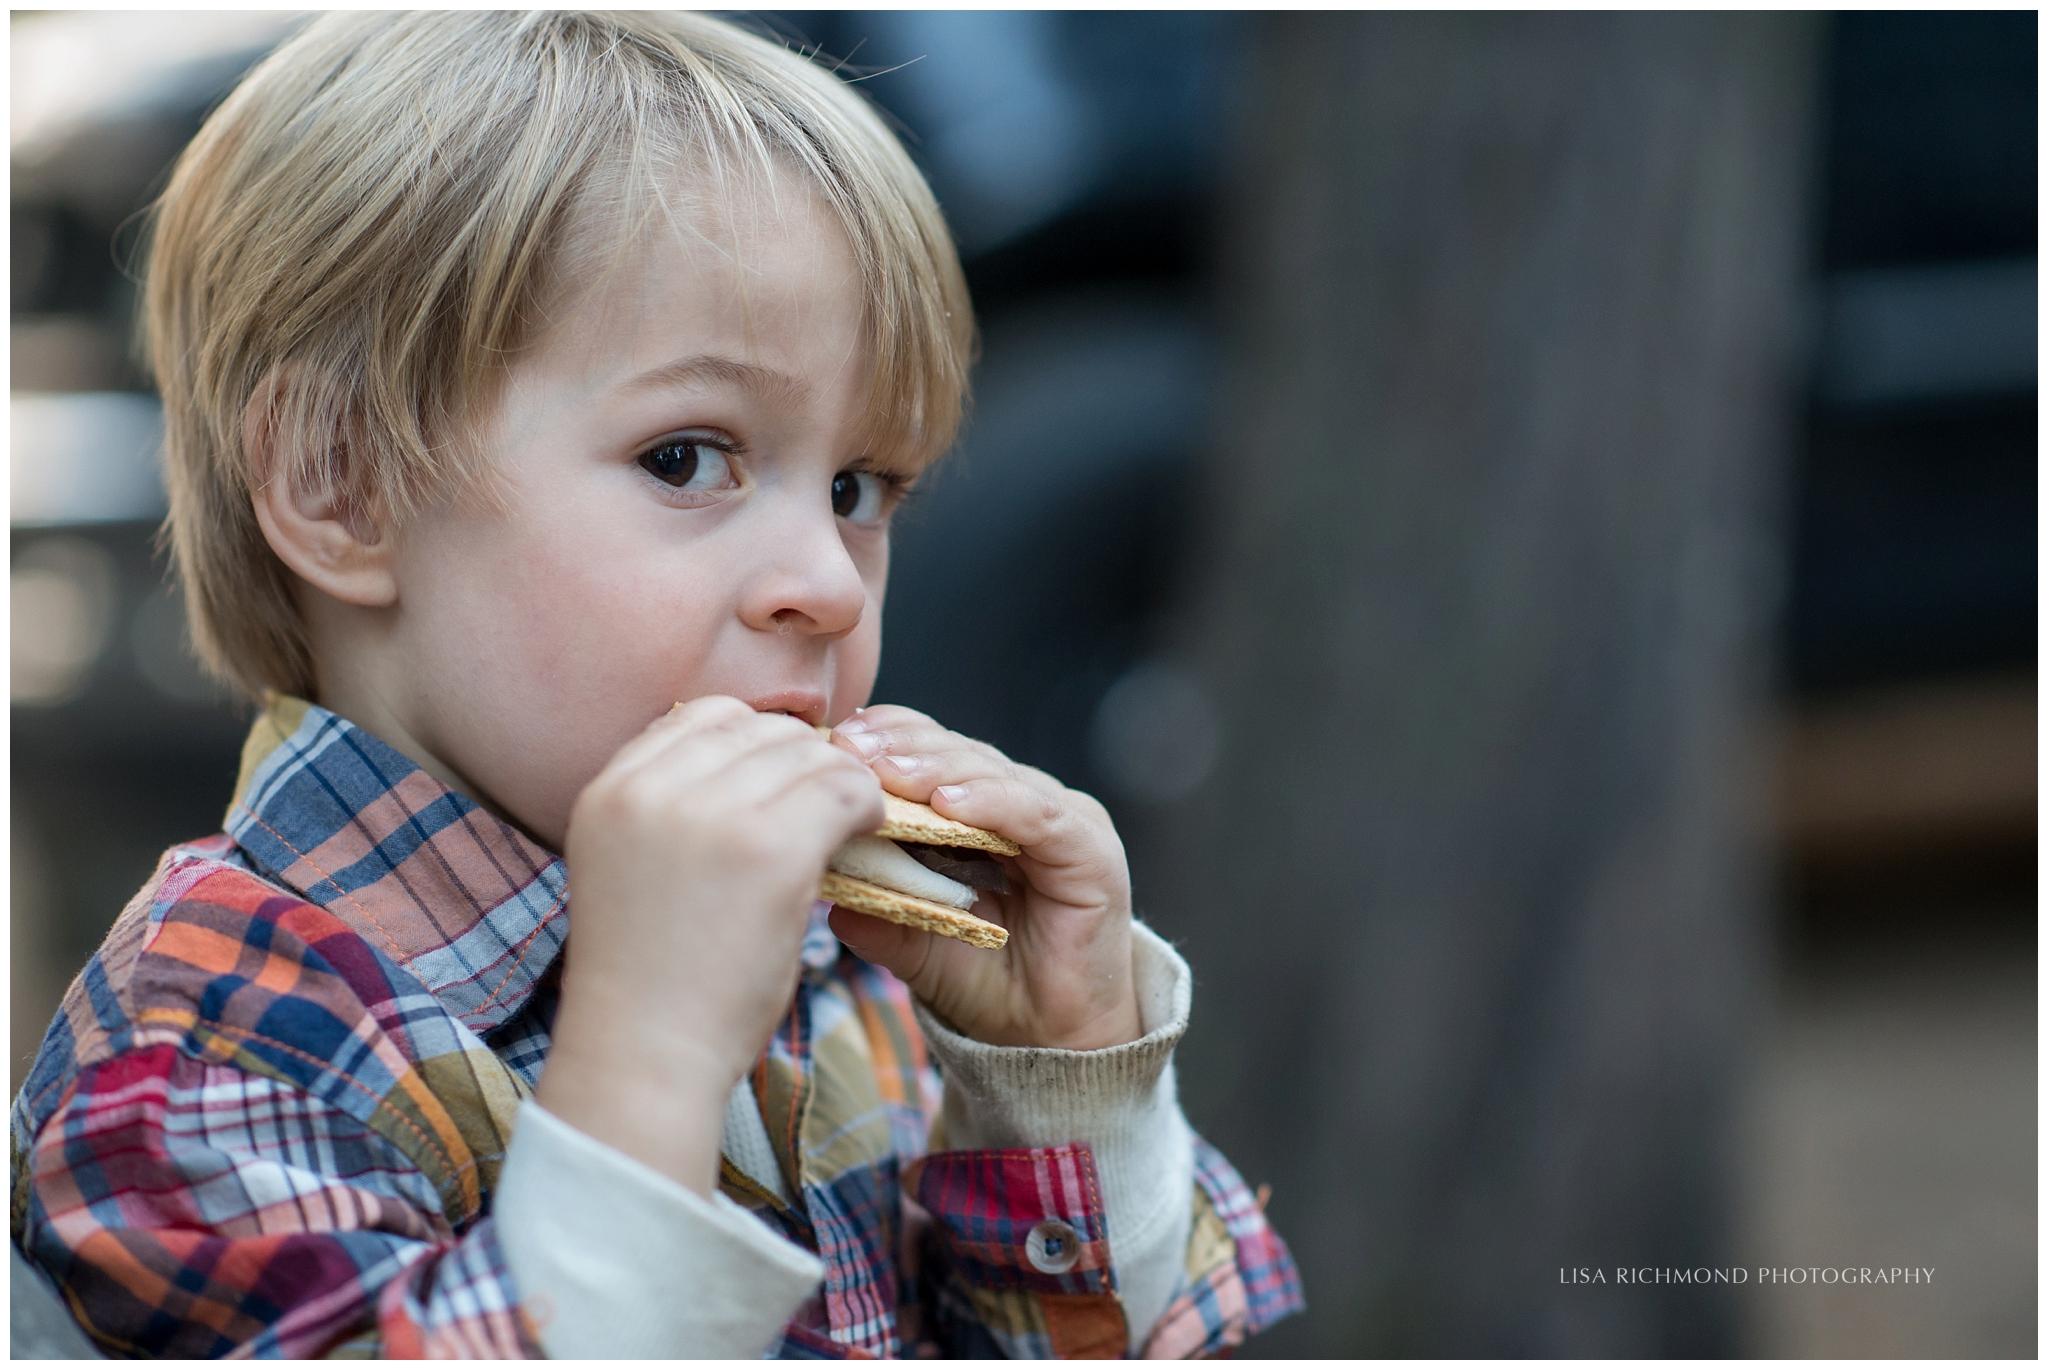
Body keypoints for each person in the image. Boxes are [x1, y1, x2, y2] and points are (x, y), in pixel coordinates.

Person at [9, 11, 1301, 1358]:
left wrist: (1063, 1076)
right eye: (689, 458)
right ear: (342, 485)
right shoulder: (215, 1047)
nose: (832, 581)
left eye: (861, 488)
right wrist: (650, 1055)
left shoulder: (843, 969)